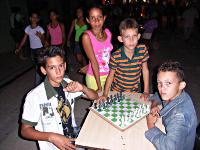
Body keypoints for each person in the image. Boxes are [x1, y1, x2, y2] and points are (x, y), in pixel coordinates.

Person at [20, 46, 98, 150]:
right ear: (44, 70)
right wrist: (51, 137)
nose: (58, 72)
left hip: (73, 137)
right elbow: (25, 130)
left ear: (65, 65)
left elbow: (95, 96)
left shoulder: (69, 84)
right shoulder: (35, 96)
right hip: (53, 146)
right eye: (52, 67)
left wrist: (83, 88)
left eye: (60, 66)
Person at [145, 61, 197, 150]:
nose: (162, 88)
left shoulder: (179, 117)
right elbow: (159, 95)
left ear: (181, 85)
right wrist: (154, 105)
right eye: (159, 83)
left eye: (168, 83)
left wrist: (150, 125)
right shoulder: (176, 93)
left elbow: (169, 147)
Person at [98, 18, 150, 101]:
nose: (131, 40)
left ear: (139, 36)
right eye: (127, 37)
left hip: (134, 91)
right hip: (117, 91)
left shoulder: (142, 50)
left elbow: (145, 70)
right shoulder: (116, 56)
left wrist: (146, 90)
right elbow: (110, 76)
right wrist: (105, 94)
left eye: (134, 36)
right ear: (120, 39)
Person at [82, 4, 113, 92]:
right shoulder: (86, 36)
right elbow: (94, 61)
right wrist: (99, 86)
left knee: (109, 102)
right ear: (88, 20)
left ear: (104, 18)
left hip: (108, 75)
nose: (97, 21)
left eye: (99, 17)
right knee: (99, 104)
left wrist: (113, 73)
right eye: (93, 18)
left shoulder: (108, 33)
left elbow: (109, 56)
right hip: (94, 78)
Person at [15, 11, 45, 86]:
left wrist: (40, 36)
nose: (34, 19)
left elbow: (44, 41)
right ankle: (43, 80)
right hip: (32, 50)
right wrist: (19, 48)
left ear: (38, 19)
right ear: (30, 18)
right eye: (33, 17)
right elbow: (24, 39)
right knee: (37, 66)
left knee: (38, 67)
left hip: (40, 50)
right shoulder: (28, 28)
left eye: (36, 17)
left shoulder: (40, 28)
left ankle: (37, 84)